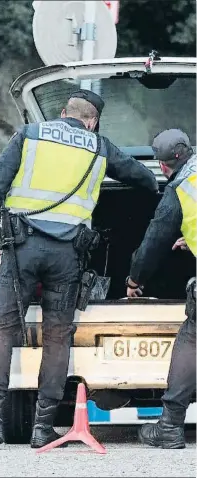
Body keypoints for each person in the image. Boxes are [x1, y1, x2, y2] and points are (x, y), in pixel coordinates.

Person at [0, 89, 160, 450]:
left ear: (61, 113)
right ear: (92, 121)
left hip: (21, 249)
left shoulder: (29, 135)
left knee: (2, 329)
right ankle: (43, 427)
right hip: (67, 255)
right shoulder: (98, 145)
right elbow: (144, 179)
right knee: (58, 337)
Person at [125, 128, 196, 449]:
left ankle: (169, 425)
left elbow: (154, 240)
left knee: (192, 339)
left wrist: (135, 279)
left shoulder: (181, 187)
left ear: (164, 166)